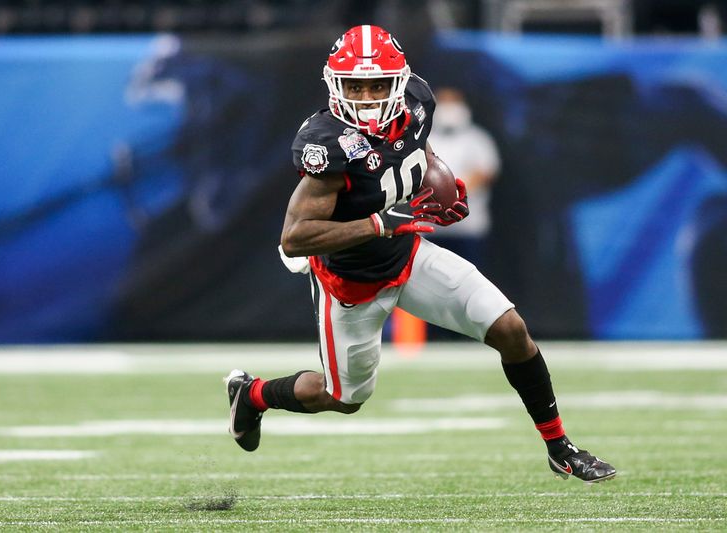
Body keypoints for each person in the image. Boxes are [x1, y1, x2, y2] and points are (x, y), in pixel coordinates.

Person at [225, 25, 616, 483]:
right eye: (355, 85)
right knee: (342, 397)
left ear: (399, 81)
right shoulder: (325, 142)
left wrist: (442, 179)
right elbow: (295, 238)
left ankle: (560, 447)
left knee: (510, 328)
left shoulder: (417, 101)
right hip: (351, 285)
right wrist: (379, 222)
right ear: (335, 84)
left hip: (408, 258)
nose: (367, 96)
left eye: (377, 84)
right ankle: (251, 395)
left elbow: (418, 150)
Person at [428, 87, 500, 268]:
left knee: (468, 284)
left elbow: (485, 173)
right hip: (430, 229)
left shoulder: (477, 138)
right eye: (444, 102)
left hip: (468, 228)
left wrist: (450, 194)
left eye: (453, 103)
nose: (449, 108)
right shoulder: (423, 138)